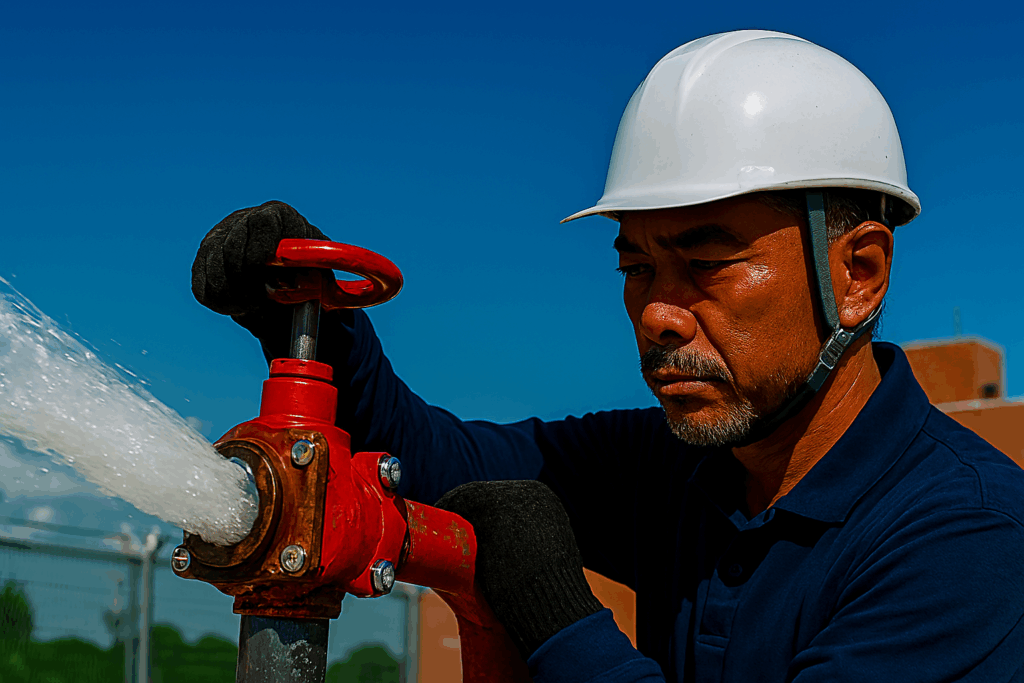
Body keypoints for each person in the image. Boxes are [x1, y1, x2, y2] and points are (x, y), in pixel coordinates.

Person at [191, 30, 1024, 683]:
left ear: (857, 274)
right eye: (635, 266)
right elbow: (434, 463)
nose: (657, 312)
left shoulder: (967, 540)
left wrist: (558, 623)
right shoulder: (676, 469)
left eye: (707, 262)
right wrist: (324, 331)